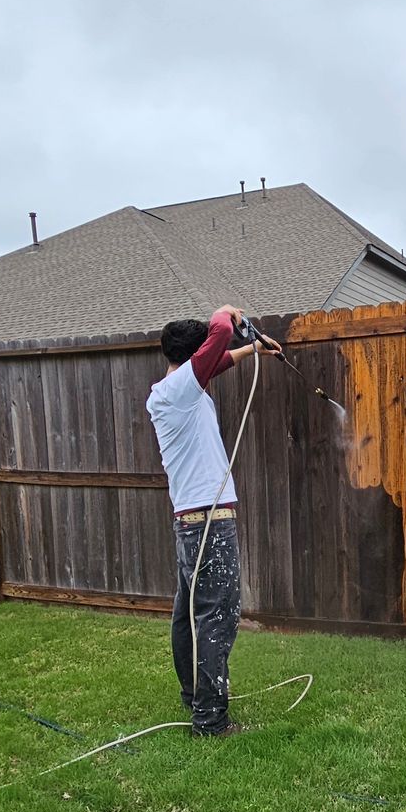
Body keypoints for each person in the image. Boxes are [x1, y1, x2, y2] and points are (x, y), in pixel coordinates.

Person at [145, 305, 279, 736]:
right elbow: (221, 331)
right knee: (217, 616)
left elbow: (218, 360)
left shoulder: (175, 389)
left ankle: (196, 698)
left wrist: (253, 347)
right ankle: (210, 719)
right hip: (208, 520)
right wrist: (227, 313)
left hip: (192, 520)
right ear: (193, 354)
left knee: (189, 614)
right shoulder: (180, 389)